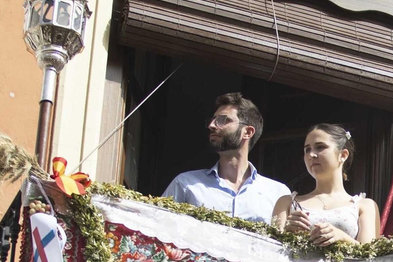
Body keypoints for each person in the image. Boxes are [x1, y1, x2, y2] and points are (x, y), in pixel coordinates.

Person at [162, 92, 291, 223]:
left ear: (247, 132)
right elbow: (159, 226)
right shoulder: (186, 184)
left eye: (223, 120)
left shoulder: (278, 194)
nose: (212, 125)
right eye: (213, 120)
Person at [271, 124, 381, 246]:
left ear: (343, 155)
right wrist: (287, 233)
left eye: (320, 147)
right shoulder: (287, 203)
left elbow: (370, 254)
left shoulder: (364, 206)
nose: (311, 155)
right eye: (307, 150)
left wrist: (343, 238)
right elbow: (270, 250)